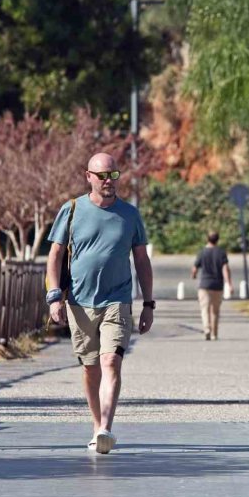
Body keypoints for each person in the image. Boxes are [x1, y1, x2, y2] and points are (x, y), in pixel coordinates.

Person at [45, 153, 154, 455]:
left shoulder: (130, 215)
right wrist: (54, 295)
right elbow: (55, 255)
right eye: (103, 175)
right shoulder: (71, 210)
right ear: (88, 176)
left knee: (111, 362)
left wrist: (148, 303)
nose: (109, 181)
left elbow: (142, 260)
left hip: (117, 301)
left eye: (114, 175)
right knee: (91, 368)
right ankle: (97, 427)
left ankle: (106, 427)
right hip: (79, 302)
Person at [191, 231, 232, 341]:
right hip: (217, 285)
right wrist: (229, 283)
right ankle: (214, 333)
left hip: (204, 285)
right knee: (215, 311)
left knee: (204, 309)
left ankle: (207, 329)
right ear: (218, 239)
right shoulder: (221, 252)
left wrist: (194, 275)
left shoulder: (202, 252)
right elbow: (225, 269)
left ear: (207, 239)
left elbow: (195, 267)